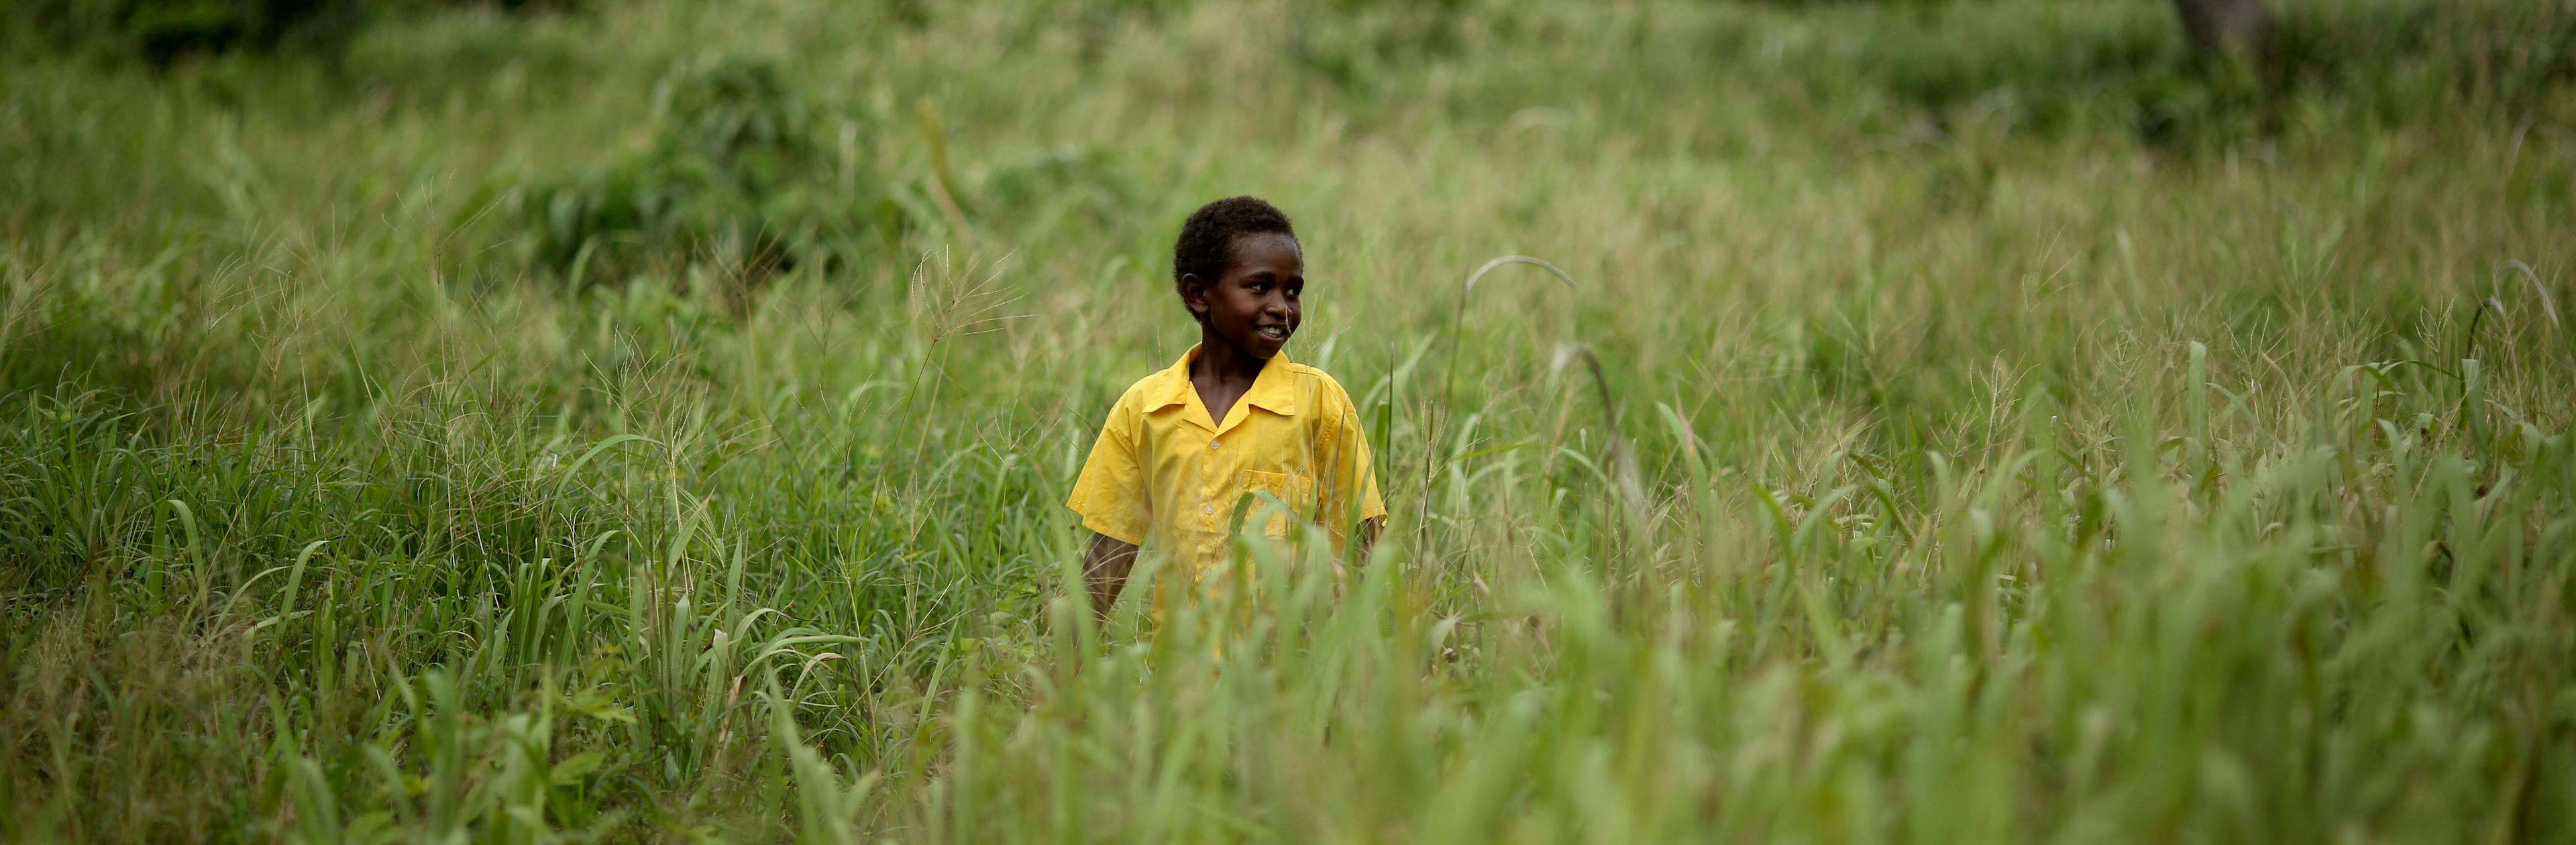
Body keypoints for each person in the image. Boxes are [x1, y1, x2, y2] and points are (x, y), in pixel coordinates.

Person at [1065, 196, 1387, 618]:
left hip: (1289, 671)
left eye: (1293, 291)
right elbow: (1107, 560)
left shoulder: (1319, 402)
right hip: (1181, 674)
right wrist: (1056, 681)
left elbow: (1364, 547)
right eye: (1259, 286)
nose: (1281, 307)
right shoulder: (1144, 409)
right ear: (1199, 294)